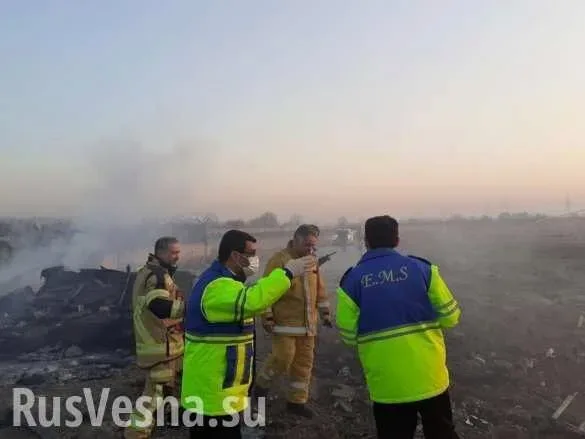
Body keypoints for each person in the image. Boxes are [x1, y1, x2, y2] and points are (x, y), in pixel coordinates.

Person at [181, 229, 316, 438]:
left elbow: (252, 295)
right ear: (236, 256)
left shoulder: (228, 282)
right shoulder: (217, 285)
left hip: (221, 392)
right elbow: (253, 301)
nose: (255, 259)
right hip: (210, 396)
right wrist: (287, 274)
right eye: (251, 254)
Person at [336, 215, 461, 439]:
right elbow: (451, 317)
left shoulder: (351, 281)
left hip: (387, 385)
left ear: (366, 241)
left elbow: (348, 335)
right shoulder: (423, 270)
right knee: (442, 433)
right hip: (429, 376)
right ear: (397, 240)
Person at [254, 224, 331, 418]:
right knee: (283, 358)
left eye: (313, 246)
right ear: (295, 240)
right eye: (307, 245)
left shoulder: (312, 261)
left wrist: (325, 313)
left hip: (308, 326)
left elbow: (320, 289)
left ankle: (296, 402)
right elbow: (266, 289)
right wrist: (267, 315)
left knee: (304, 365)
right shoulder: (279, 260)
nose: (311, 250)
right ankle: (261, 387)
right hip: (284, 324)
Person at [125, 237, 185, 439]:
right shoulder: (158, 275)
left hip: (159, 343)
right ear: (160, 252)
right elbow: (158, 306)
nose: (177, 256)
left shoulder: (147, 271)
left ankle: (171, 418)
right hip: (160, 345)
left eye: (178, 252)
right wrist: (189, 308)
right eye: (173, 252)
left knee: (170, 385)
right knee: (154, 394)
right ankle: (135, 433)